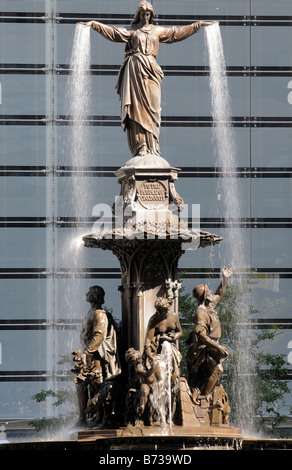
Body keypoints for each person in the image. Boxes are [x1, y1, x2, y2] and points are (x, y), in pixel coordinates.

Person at [78, 1, 213, 158]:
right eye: (143, 13)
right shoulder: (132, 31)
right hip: (135, 70)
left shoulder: (157, 31)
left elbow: (176, 33)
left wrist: (197, 25)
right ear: (138, 15)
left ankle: (153, 146)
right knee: (137, 108)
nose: (146, 16)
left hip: (152, 71)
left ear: (152, 15)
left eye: (148, 13)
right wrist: (95, 25)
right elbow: (114, 33)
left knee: (153, 108)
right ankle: (141, 145)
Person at [74, 285, 121, 427]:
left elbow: (99, 335)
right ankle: (88, 417)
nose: (87, 294)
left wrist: (88, 353)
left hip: (98, 356)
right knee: (87, 384)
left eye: (90, 292)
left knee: (100, 385)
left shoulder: (100, 314)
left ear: (94, 295)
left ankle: (104, 418)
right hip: (91, 355)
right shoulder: (92, 311)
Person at [186, 265, 232, 398]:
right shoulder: (201, 312)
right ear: (204, 295)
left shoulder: (210, 306)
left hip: (212, 347)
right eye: (208, 290)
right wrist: (218, 346)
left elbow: (220, 293)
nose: (211, 291)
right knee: (217, 369)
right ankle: (203, 399)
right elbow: (202, 336)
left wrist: (224, 278)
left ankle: (202, 395)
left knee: (207, 375)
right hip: (204, 349)